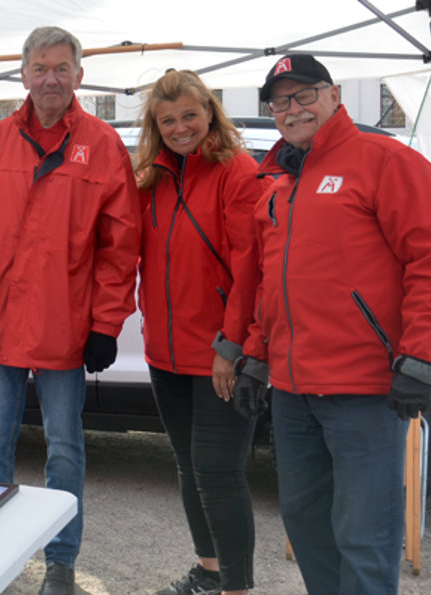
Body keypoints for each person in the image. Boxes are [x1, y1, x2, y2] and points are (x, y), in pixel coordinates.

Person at [232, 54, 431, 594]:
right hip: (292, 393)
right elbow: (274, 284)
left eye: (304, 94)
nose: (293, 109)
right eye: (280, 101)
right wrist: (257, 356)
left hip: (363, 390)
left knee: (366, 536)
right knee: (308, 527)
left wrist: (423, 354)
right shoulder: (279, 180)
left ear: (334, 95)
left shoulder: (385, 160)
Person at [0, 26, 139, 595]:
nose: (50, 78)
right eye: (40, 67)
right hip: (2, 322)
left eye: (61, 68)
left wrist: (105, 324)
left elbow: (119, 244)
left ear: (79, 75)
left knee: (66, 447)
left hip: (66, 326)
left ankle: (61, 562)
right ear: (23, 74)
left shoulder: (101, 145)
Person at [134, 69, 269, 595]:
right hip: (164, 352)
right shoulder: (151, 177)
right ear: (156, 125)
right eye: (168, 120)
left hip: (219, 354)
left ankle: (236, 588)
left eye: (189, 115)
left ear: (209, 112)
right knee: (189, 468)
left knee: (218, 473)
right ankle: (209, 573)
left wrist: (231, 347)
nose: (180, 128)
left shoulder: (237, 172)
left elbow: (249, 269)